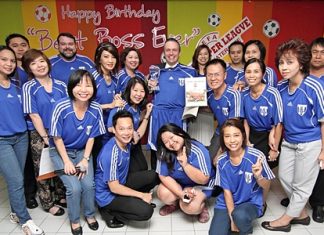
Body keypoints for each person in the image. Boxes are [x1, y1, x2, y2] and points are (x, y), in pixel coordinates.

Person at [262, 39, 324, 232]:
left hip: (310, 143)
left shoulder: (314, 86)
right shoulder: (281, 87)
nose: (284, 67)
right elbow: (278, 118)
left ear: (301, 63)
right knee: (285, 177)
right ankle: (302, 215)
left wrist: (323, 150)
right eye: (281, 62)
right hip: (289, 142)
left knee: (302, 186)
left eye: (289, 62)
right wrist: (274, 134)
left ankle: (285, 219)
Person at [49, 70, 105, 235]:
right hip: (61, 152)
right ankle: (74, 220)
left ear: (93, 88)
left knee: (88, 184)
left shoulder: (95, 108)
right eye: (79, 85)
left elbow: (92, 137)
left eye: (88, 85)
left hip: (82, 151)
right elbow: (56, 138)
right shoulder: (61, 106)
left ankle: (89, 214)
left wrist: (85, 159)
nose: (83, 89)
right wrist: (66, 161)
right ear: (71, 87)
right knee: (74, 188)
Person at [0, 45, 44, 234]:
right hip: (2, 141)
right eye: (4, 59)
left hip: (21, 137)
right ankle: (25, 220)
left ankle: (15, 212)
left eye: (12, 60)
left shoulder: (18, 86)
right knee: (16, 179)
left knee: (18, 178)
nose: (9, 64)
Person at [209, 119, 274, 235]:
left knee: (240, 216)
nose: (232, 140)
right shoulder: (221, 161)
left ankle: (246, 229)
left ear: (243, 136)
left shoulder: (256, 156)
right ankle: (234, 221)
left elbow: (267, 185)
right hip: (226, 203)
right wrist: (232, 219)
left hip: (250, 202)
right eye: (227, 136)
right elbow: (227, 192)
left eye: (236, 135)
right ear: (222, 139)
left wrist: (259, 177)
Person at [22, 49, 67, 216]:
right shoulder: (29, 87)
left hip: (60, 131)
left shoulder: (61, 85)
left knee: (61, 164)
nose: (39, 66)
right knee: (43, 168)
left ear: (47, 62)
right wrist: (46, 137)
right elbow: (34, 115)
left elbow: (66, 109)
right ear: (29, 69)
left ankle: (62, 195)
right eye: (33, 63)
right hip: (39, 133)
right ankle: (48, 202)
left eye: (41, 61)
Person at [95, 110, 154, 228]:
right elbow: (114, 187)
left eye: (129, 128)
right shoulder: (110, 153)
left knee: (154, 175)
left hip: (122, 182)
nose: (126, 133)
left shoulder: (126, 141)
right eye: (122, 129)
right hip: (108, 195)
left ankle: (131, 201)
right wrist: (141, 195)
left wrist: (147, 116)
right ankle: (107, 211)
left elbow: (138, 135)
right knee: (146, 212)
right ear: (114, 130)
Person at [147, 38, 197, 169]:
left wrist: (191, 111)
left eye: (174, 50)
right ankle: (156, 180)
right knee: (157, 147)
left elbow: (196, 98)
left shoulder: (190, 72)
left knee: (178, 146)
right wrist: (149, 87)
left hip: (178, 115)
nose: (171, 53)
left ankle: (176, 179)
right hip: (159, 114)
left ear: (179, 52)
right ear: (164, 52)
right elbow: (148, 91)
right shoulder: (155, 71)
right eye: (168, 50)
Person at [156, 123, 215, 223]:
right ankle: (175, 203)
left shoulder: (198, 150)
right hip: (181, 184)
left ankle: (201, 206)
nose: (171, 143)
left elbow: (204, 179)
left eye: (172, 137)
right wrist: (181, 193)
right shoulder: (164, 152)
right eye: (166, 142)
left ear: (180, 133)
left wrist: (185, 165)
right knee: (162, 193)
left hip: (199, 185)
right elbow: (163, 176)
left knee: (190, 207)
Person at [5, 33, 38, 209]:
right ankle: (27, 197)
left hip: (28, 128)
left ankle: (35, 193)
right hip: (12, 130)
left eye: (23, 45)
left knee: (33, 165)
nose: (19, 48)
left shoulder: (31, 71)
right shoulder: (8, 73)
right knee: (20, 170)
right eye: (15, 45)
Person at [107, 77, 157, 179]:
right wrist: (130, 133)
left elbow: (138, 135)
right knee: (146, 176)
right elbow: (110, 128)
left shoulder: (137, 108)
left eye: (142, 91)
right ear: (129, 90)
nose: (138, 94)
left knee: (144, 168)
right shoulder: (121, 105)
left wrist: (147, 114)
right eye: (135, 90)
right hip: (120, 148)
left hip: (133, 145)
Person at [242, 58, 283, 169]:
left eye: (256, 71)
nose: (251, 75)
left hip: (269, 134)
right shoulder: (244, 94)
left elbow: (278, 123)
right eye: (248, 72)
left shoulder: (272, 93)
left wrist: (275, 149)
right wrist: (246, 140)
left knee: (263, 168)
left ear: (263, 74)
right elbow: (245, 120)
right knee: (248, 165)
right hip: (252, 133)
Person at [90, 42, 124, 169]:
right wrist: (109, 105)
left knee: (110, 161)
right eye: (106, 56)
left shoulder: (115, 78)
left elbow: (116, 101)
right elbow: (84, 106)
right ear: (99, 58)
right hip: (96, 128)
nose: (110, 60)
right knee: (99, 162)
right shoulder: (92, 77)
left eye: (113, 57)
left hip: (111, 127)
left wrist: (117, 99)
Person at [206, 58, 243, 163]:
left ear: (225, 75)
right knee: (208, 161)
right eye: (209, 75)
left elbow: (234, 127)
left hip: (234, 134)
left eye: (217, 74)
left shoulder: (233, 94)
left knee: (219, 162)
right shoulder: (209, 96)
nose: (213, 78)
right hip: (220, 132)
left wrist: (220, 153)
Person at [309, 37, 324, 223]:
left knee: (321, 167)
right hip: (303, 129)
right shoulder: (301, 74)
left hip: (322, 127)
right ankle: (299, 198)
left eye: (322, 52)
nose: (318, 56)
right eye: (315, 52)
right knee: (299, 169)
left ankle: (319, 203)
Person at [188, 44, 214, 146]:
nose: (203, 56)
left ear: (209, 56)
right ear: (196, 56)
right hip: (193, 115)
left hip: (208, 114)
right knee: (193, 142)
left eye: (205, 54)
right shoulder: (190, 73)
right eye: (200, 54)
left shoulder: (213, 74)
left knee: (208, 143)